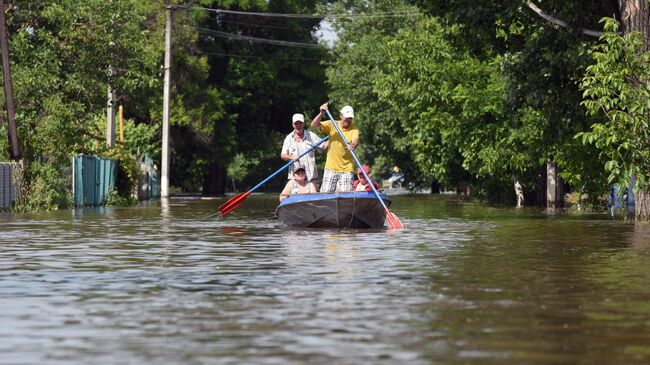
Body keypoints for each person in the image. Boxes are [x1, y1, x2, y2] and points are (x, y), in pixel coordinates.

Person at [311, 103, 359, 192]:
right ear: (341, 115)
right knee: (325, 195)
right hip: (331, 167)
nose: (348, 120)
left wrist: (353, 145)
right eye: (346, 117)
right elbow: (314, 125)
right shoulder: (332, 124)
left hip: (346, 168)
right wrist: (321, 113)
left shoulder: (354, 129)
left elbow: (355, 141)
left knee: (346, 197)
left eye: (350, 118)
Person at [280, 113, 327, 183]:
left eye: (300, 123)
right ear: (293, 124)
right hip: (295, 179)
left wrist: (333, 137)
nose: (298, 125)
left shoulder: (311, 136)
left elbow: (324, 146)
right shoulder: (288, 138)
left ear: (303, 124)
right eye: (296, 123)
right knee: (283, 194)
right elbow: (283, 155)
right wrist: (291, 157)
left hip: (311, 178)